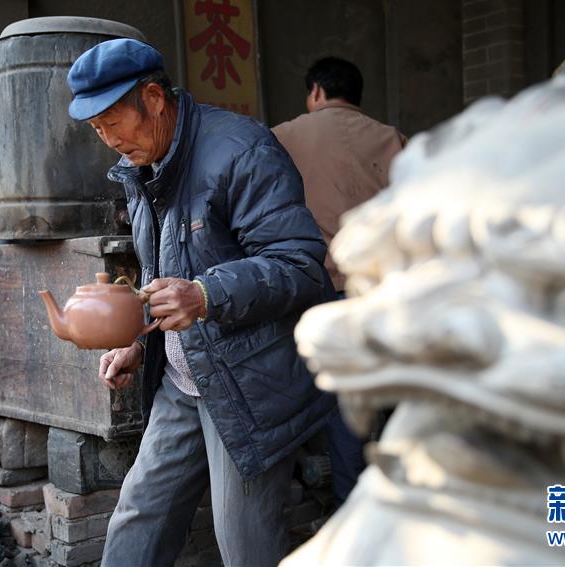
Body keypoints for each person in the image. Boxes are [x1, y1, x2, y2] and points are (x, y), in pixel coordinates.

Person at [66, 38, 336, 566]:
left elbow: (301, 265)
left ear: (154, 98)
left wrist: (207, 295)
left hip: (248, 385)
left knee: (245, 545)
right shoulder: (141, 166)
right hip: (184, 381)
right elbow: (162, 274)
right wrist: (141, 341)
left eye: (113, 122)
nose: (108, 140)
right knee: (137, 522)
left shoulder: (241, 151)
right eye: (96, 130)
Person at [272, 57, 406, 507]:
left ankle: (347, 506)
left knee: (323, 402)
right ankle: (380, 495)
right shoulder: (391, 139)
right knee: (377, 400)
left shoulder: (285, 136)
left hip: (314, 288)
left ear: (315, 93)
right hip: (379, 291)